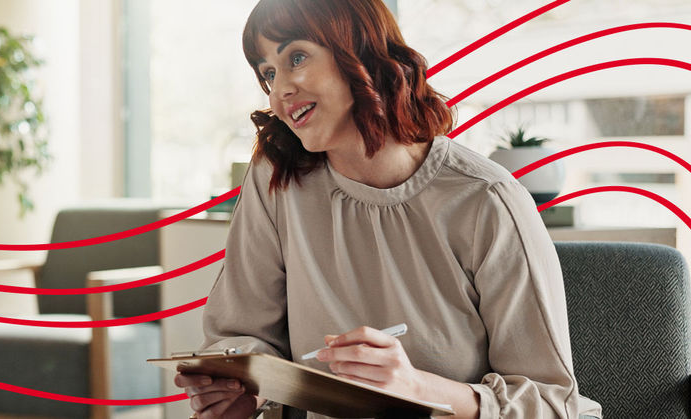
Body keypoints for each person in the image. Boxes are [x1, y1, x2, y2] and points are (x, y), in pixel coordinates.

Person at [174, 1, 603, 418]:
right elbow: (241, 334)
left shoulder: (484, 198)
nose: (280, 89)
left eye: (296, 57)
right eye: (267, 72)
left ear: (359, 51)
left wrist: (414, 387)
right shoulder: (278, 179)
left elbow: (550, 404)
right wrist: (240, 391)